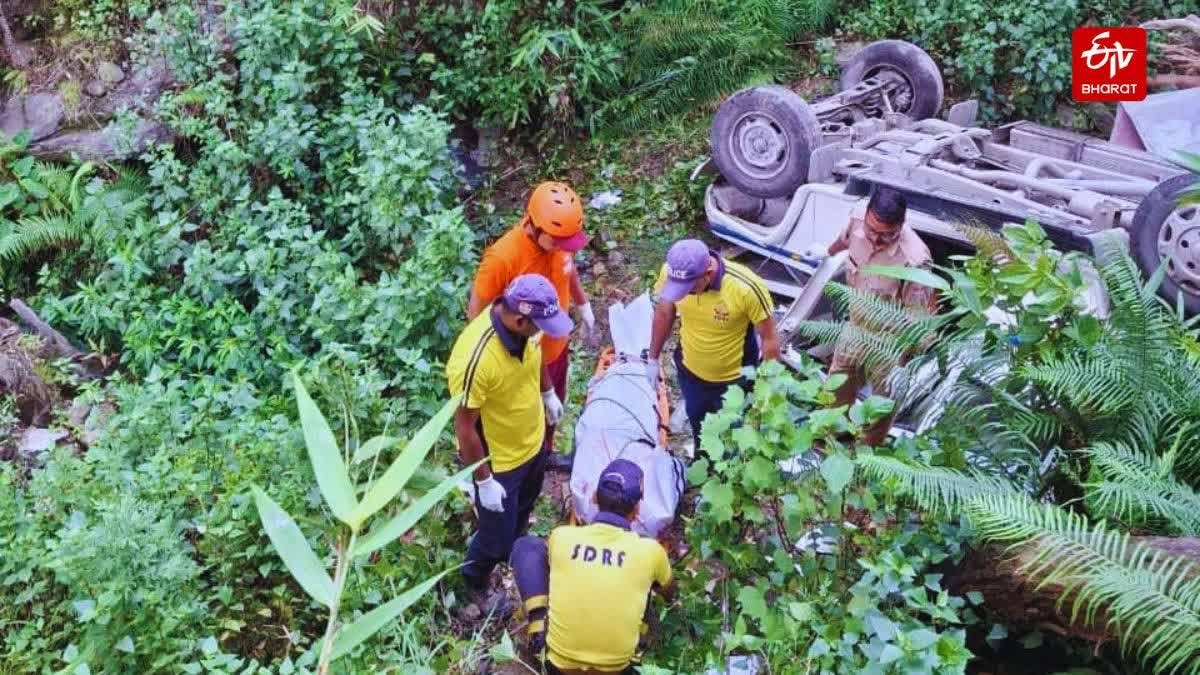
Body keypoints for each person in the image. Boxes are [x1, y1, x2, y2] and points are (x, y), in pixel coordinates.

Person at [446, 273, 575, 614]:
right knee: (494, 536)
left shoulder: (525, 331)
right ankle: (474, 581)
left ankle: (512, 550)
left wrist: (547, 393)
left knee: (523, 511)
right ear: (519, 320)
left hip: (531, 444)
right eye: (540, 325)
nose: (543, 332)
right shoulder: (475, 358)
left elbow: (536, 359)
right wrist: (485, 481)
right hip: (500, 461)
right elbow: (464, 428)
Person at [468, 181, 597, 471]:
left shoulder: (559, 242)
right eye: (558, 241)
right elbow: (476, 314)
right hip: (521, 358)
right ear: (535, 226)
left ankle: (545, 453)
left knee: (554, 406)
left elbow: (569, 269)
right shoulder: (503, 258)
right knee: (521, 417)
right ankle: (500, 465)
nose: (563, 247)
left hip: (556, 347)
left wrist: (583, 304)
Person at [510, 459, 674, 674]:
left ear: (594, 497)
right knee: (648, 583)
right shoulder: (651, 552)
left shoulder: (562, 537)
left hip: (557, 666)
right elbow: (669, 593)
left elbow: (543, 565)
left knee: (528, 546)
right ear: (637, 508)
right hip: (617, 669)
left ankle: (539, 627)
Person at [823, 186, 937, 445]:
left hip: (890, 342)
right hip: (857, 325)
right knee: (837, 383)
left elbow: (916, 319)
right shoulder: (857, 219)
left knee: (882, 403)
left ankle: (866, 453)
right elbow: (844, 240)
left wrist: (903, 358)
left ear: (901, 225)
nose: (875, 239)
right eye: (871, 230)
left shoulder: (914, 260)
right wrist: (827, 254)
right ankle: (828, 436)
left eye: (885, 235)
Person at [647, 239, 781, 446]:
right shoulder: (672, 273)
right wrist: (653, 359)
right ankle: (702, 463)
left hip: (734, 381)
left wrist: (767, 389)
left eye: (689, 288)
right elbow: (664, 312)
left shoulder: (745, 288)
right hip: (690, 373)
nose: (684, 293)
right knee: (699, 427)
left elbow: (769, 339)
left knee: (730, 438)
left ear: (708, 273)